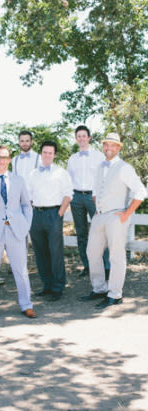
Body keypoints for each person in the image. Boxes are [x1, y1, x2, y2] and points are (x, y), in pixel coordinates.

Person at [79, 133, 146, 310]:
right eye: (106, 145)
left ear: (118, 148)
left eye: (112, 145)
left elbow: (141, 192)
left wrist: (126, 214)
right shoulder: (100, 166)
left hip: (117, 216)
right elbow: (95, 190)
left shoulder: (124, 167)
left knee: (116, 255)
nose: (108, 148)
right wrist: (97, 210)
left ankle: (115, 294)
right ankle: (99, 288)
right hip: (99, 215)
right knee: (92, 252)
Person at [0, 145, 36, 319]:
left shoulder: (19, 181)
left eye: (5, 157)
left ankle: (26, 305)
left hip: (16, 231)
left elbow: (27, 205)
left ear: (9, 160)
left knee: (21, 270)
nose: (2, 161)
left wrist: (25, 227)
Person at [26, 141, 73, 301]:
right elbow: (28, 195)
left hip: (54, 214)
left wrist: (59, 213)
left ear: (54, 155)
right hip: (36, 215)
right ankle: (46, 285)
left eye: (50, 153)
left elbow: (68, 195)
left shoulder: (61, 172)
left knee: (55, 252)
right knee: (40, 252)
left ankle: (58, 287)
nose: (47, 155)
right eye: (44, 152)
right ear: (41, 153)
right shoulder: (33, 174)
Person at [67, 125, 110, 277]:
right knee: (81, 233)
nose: (81, 139)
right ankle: (87, 265)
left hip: (94, 197)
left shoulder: (98, 156)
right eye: (79, 136)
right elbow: (69, 180)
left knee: (100, 231)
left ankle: (106, 266)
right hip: (76, 198)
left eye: (84, 136)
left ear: (89, 138)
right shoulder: (72, 159)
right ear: (76, 139)